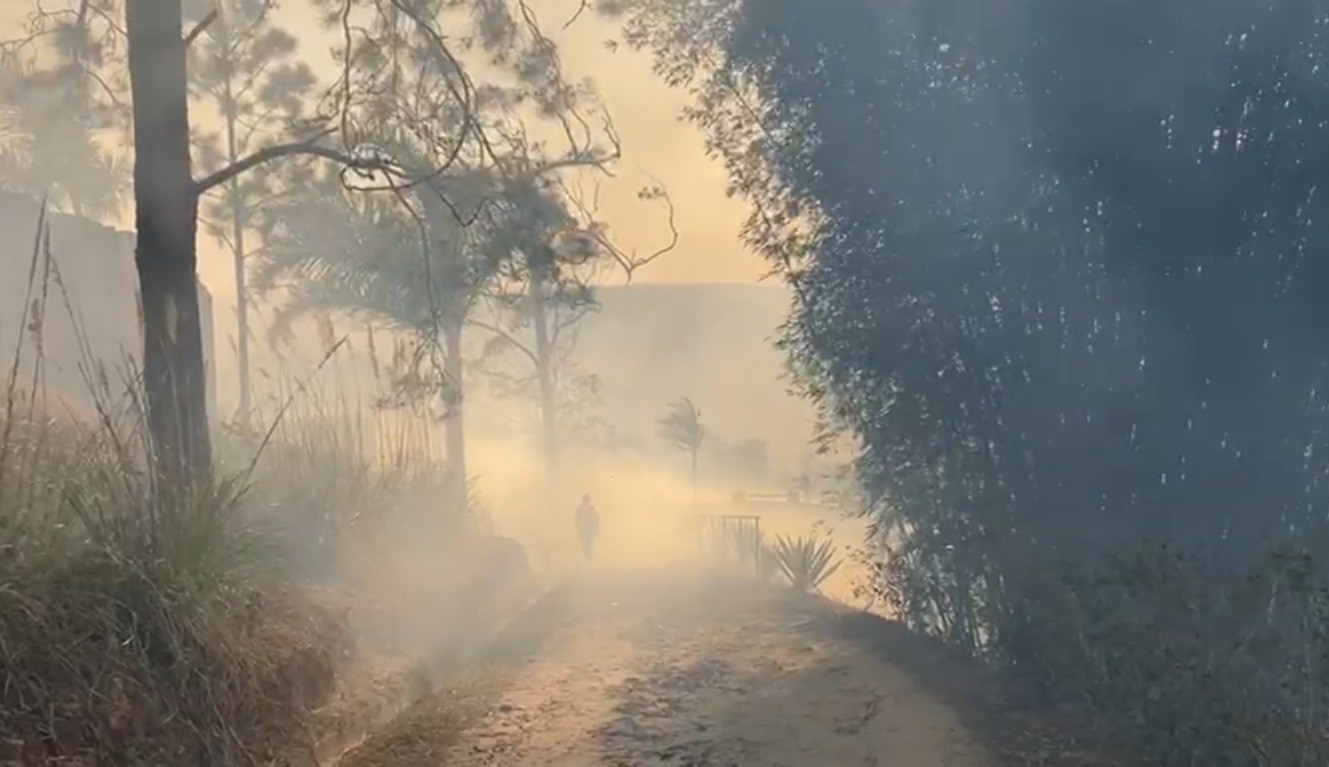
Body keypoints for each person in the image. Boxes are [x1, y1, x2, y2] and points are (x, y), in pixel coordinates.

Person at [575, 493, 600, 562]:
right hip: (585, 528)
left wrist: (596, 528)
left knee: (588, 543)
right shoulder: (581, 508)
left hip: (588, 527)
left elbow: (596, 518)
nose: (586, 500)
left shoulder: (591, 507)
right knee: (586, 543)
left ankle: (588, 556)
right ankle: (587, 556)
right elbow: (577, 518)